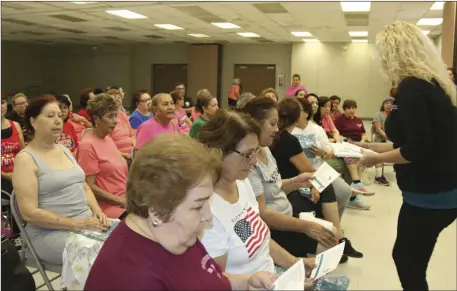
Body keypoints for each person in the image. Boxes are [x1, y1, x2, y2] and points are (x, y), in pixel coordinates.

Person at [84, 134, 276, 291]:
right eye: (197, 205)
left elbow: (208, 280)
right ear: (157, 209)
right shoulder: (132, 278)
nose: (208, 215)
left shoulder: (174, 234)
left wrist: (247, 282)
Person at [360, 21, 457, 290]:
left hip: (429, 196)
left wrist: (374, 160)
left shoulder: (412, 88)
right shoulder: (434, 84)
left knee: (407, 262)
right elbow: (416, 141)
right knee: (410, 260)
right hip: (441, 191)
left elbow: (417, 149)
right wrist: (371, 148)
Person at [198, 110, 317, 288]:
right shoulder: (207, 209)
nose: (254, 162)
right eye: (247, 154)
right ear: (218, 153)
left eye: (256, 152)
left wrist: (295, 264)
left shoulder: (241, 183)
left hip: (271, 277)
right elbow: (216, 282)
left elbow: (262, 241)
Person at [12, 95, 110, 265]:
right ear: (34, 122)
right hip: (48, 234)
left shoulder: (64, 150)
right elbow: (29, 213)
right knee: (108, 256)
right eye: (50, 116)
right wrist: (79, 224)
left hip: (85, 223)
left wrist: (98, 212)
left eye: (59, 115)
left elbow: (84, 187)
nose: (58, 121)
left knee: (130, 239)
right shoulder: (25, 159)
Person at [240, 97, 338, 259]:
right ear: (255, 124)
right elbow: (262, 214)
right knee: (329, 239)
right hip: (274, 228)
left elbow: (275, 186)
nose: (277, 129)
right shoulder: (249, 162)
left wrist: (294, 182)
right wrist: (305, 226)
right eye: (272, 124)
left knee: (331, 233)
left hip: (287, 214)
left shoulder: (265, 149)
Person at [271, 98, 362, 259]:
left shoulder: (296, 134)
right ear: (297, 116)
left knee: (331, 186)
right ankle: (337, 239)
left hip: (298, 177)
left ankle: (335, 237)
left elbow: (325, 152)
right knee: (326, 186)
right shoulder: (287, 140)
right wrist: (315, 182)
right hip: (292, 184)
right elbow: (307, 170)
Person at [292, 98, 370, 211]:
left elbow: (330, 152)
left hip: (319, 168)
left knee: (345, 191)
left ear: (306, 113)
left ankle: (336, 217)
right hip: (299, 172)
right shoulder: (289, 130)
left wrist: (322, 153)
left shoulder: (317, 129)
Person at [78, 94, 128, 219]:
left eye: (115, 115)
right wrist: (122, 202)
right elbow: (89, 187)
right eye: (110, 116)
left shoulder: (108, 139)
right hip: (108, 208)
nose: (115, 120)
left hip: (124, 200)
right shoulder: (87, 146)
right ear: (96, 119)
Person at [1, 96, 25, 194]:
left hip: (19, 175)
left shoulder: (16, 125)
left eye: (2, 102)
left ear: (7, 104)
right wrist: (5, 175)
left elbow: (23, 154)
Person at [371, 97, 395, 186]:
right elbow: (378, 129)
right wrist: (390, 138)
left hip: (394, 140)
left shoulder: (397, 115)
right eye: (386, 103)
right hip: (381, 140)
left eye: (391, 103)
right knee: (379, 153)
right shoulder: (379, 114)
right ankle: (378, 177)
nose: (389, 105)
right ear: (383, 105)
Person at [106, 89, 135, 159]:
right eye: (113, 99)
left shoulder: (122, 115)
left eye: (119, 98)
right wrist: (124, 155)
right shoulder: (106, 118)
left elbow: (133, 135)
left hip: (131, 153)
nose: (117, 102)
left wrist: (134, 149)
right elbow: (106, 145)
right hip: (118, 155)